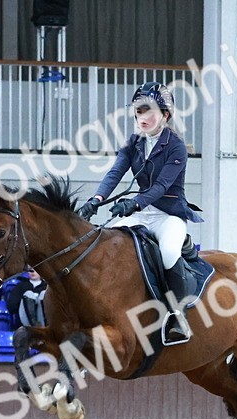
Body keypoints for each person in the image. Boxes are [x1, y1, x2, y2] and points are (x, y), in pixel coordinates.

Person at [76, 82, 204, 345]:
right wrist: (95, 200)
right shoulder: (133, 143)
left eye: (148, 111)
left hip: (168, 214)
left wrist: (133, 204)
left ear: (165, 115)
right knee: (107, 241)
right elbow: (115, 173)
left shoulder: (176, 146)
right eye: (138, 111)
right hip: (141, 211)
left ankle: (178, 316)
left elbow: (161, 186)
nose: (142, 117)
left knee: (169, 252)